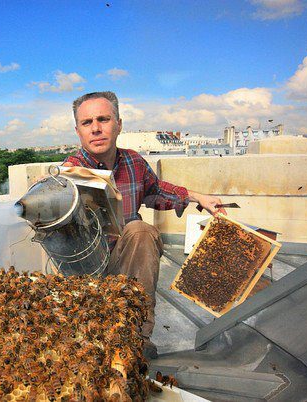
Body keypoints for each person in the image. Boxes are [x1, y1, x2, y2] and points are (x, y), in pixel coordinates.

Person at [62, 91, 226, 359]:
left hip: (127, 262)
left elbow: (156, 190)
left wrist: (199, 197)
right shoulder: (70, 171)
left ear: (119, 124)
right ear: (78, 131)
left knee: (141, 230)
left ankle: (137, 336)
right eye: (87, 122)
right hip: (86, 270)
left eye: (103, 119)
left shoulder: (133, 161)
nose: (96, 128)